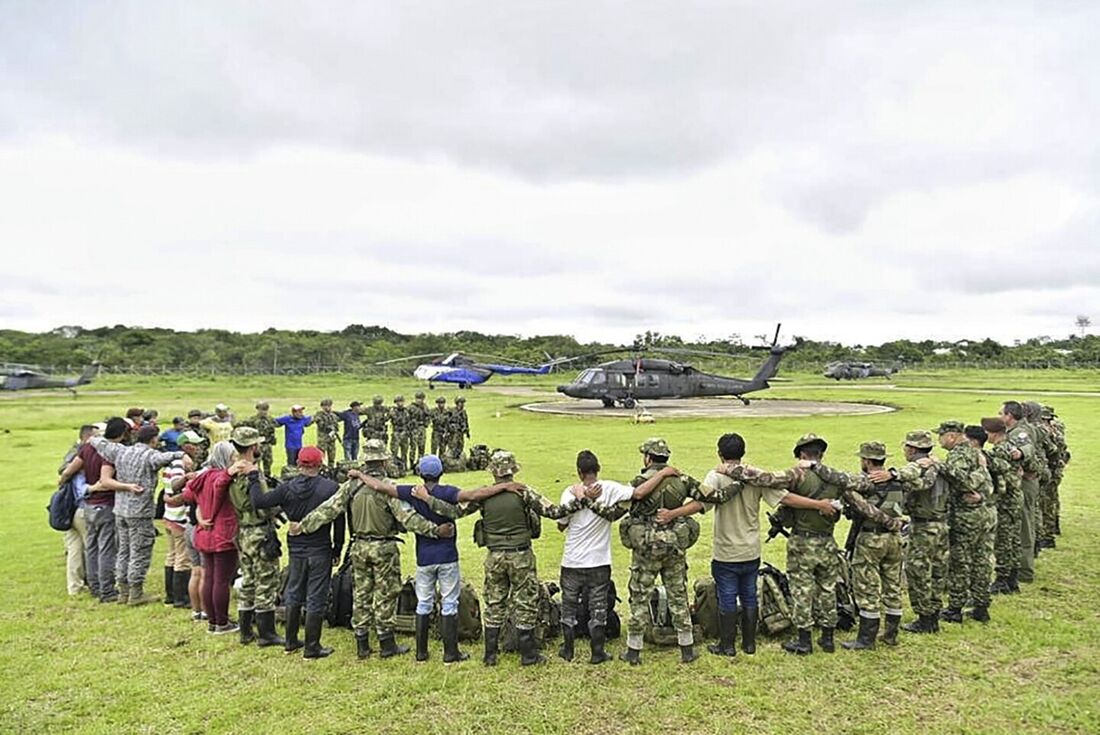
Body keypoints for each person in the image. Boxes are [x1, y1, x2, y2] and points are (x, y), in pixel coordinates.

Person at [656, 433, 850, 658]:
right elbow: (785, 498)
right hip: (751, 549)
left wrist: (672, 514)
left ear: (719, 454)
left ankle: (727, 645)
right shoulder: (755, 477)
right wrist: (818, 504)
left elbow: (701, 503)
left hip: (726, 550)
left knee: (727, 595)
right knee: (750, 595)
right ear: (743, 452)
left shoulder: (716, 476)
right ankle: (749, 643)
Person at [289, 439, 454, 661]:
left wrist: (303, 526)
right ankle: (387, 643)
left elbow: (328, 510)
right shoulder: (388, 487)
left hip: (359, 546)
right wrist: (436, 530)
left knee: (361, 594)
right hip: (384, 547)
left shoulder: (352, 485)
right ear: (384, 460)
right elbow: (409, 519)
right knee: (386, 594)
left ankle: (362, 644)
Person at [354, 454, 517, 664]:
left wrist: (360, 474)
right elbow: (476, 494)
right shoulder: (447, 492)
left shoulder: (412, 491)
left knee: (423, 602)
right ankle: (450, 653)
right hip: (447, 556)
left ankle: (421, 652)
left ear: (421, 474)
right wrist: (503, 486)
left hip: (424, 557)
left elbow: (381, 487)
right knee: (449, 602)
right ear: (441, 473)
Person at [584, 438, 726, 665]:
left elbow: (613, 513)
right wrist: (738, 482)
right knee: (678, 596)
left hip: (645, 548)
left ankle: (633, 651)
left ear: (648, 458)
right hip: (674, 546)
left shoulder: (640, 483)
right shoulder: (682, 480)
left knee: (639, 597)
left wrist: (588, 501)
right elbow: (715, 496)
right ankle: (687, 649)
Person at [556, 449, 656, 664]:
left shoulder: (569, 493)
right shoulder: (610, 489)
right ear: (597, 469)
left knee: (569, 605)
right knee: (598, 606)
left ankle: (568, 650)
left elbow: (561, 525)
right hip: (599, 561)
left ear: (579, 472)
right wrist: (663, 474)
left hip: (572, 560)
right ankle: (597, 652)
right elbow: (639, 493)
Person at [806, 441, 907, 650]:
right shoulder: (897, 481)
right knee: (893, 587)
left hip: (871, 538)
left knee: (867, 588)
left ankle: (866, 639)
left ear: (867, 461)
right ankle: (891, 634)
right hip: (895, 539)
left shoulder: (866, 481)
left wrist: (814, 466)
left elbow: (839, 479)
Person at [249, 446, 343, 659]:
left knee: (294, 591)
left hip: (296, 548)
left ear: (299, 464)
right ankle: (312, 646)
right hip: (320, 547)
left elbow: (260, 502)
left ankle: (290, 641)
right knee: (316, 596)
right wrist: (338, 548)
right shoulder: (331, 488)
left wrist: (254, 478)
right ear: (320, 464)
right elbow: (339, 520)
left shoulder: (287, 488)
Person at [88, 421, 188, 606]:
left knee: (123, 551)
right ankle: (135, 593)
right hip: (140, 511)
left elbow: (98, 442)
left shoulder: (122, 451)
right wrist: (181, 454)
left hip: (120, 509)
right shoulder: (150, 456)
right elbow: (167, 457)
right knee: (139, 551)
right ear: (154, 439)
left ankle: (123, 592)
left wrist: (94, 437)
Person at [167, 442, 239, 634]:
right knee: (222, 580)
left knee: (209, 577)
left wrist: (200, 513)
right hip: (223, 534)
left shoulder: (202, 476)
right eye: (232, 456)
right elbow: (220, 484)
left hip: (203, 533)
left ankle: (212, 621)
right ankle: (222, 622)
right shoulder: (221, 478)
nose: (235, 460)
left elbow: (189, 495)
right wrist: (232, 472)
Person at [225, 426, 285, 647]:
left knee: (248, 580)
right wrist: (277, 505)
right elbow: (261, 506)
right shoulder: (252, 474)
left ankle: (245, 630)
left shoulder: (230, 472)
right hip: (259, 530)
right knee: (266, 581)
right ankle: (267, 633)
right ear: (252, 447)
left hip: (243, 531)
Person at [937, 422, 996, 625]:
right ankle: (981, 605)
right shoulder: (976, 453)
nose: (939, 441)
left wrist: (938, 466)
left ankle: (955, 608)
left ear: (952, 436)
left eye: (941, 436)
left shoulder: (958, 455)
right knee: (981, 560)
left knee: (960, 563)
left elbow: (961, 481)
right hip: (984, 515)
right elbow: (988, 485)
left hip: (965, 517)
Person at [58, 420, 120, 602]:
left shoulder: (79, 454)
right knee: (101, 548)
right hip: (90, 507)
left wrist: (62, 480)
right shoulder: (100, 453)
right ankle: (103, 587)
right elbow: (91, 486)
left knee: (79, 549)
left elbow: (65, 473)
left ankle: (79, 586)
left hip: (71, 509)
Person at [160, 430, 207, 608]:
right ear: (184, 445)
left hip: (169, 515)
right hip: (179, 517)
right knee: (183, 558)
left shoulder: (170, 464)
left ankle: (170, 596)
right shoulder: (180, 464)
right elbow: (174, 486)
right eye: (193, 445)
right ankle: (181, 598)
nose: (196, 448)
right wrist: (188, 479)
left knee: (171, 556)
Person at [1000, 401, 1042, 584]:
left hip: (1025, 482)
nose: (1000, 416)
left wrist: (1019, 453)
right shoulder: (1016, 430)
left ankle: (1025, 571)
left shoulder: (1020, 431)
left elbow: (1027, 448)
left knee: (1024, 526)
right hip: (1024, 480)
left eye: (1001, 413)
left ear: (1009, 415)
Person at [983, 417, 1024, 595]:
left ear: (993, 433)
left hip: (1006, 500)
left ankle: (1002, 579)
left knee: (1004, 540)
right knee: (1013, 539)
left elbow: (1003, 478)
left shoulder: (999, 451)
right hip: (1015, 497)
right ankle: (1012, 579)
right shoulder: (1011, 446)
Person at [56, 425, 96, 596]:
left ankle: (75, 587)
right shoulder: (84, 454)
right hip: (81, 507)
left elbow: (63, 474)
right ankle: (96, 583)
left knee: (74, 549)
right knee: (91, 547)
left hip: (68, 508)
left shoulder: (73, 453)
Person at [238, 402, 278, 477]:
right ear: (258, 409)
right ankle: (256, 477)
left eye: (265, 409)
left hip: (267, 445)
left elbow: (273, 430)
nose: (264, 412)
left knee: (268, 463)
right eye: (262, 409)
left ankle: (267, 477)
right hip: (256, 446)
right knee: (255, 462)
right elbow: (241, 425)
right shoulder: (252, 420)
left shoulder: (270, 419)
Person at [314, 399, 341, 468]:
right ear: (322, 407)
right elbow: (320, 424)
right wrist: (328, 426)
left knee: (332, 457)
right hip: (323, 440)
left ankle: (331, 470)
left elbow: (337, 426)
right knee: (321, 457)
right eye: (325, 406)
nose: (327, 407)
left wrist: (334, 428)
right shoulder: (319, 415)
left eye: (329, 405)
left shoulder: (333, 415)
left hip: (332, 439)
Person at [389, 395, 411, 473]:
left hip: (405, 434)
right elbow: (396, 420)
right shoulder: (393, 411)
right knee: (394, 452)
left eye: (401, 401)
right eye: (398, 402)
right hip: (396, 433)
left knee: (404, 452)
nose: (400, 403)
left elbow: (409, 421)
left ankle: (404, 467)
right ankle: (394, 468)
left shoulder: (406, 411)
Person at [408, 392, 431, 465]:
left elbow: (428, 416)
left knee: (422, 446)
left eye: (421, 399)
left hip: (422, 428)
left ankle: (420, 462)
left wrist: (426, 423)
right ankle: (411, 463)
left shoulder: (425, 407)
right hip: (414, 429)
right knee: (413, 447)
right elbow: (407, 418)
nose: (419, 400)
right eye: (418, 399)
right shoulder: (411, 407)